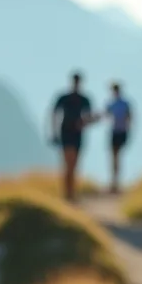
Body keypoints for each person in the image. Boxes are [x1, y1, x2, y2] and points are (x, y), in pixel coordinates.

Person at [51, 71, 94, 201]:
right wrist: (54, 132)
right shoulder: (64, 98)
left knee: (74, 165)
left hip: (77, 133)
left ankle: (71, 192)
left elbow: (88, 118)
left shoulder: (84, 99)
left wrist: (83, 123)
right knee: (68, 163)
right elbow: (54, 114)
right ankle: (67, 192)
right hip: (66, 132)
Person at [105, 82, 134, 193]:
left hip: (121, 132)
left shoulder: (124, 103)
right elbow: (106, 114)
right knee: (114, 157)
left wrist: (127, 129)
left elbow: (129, 117)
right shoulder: (112, 103)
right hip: (115, 131)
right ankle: (114, 182)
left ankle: (116, 182)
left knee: (117, 156)